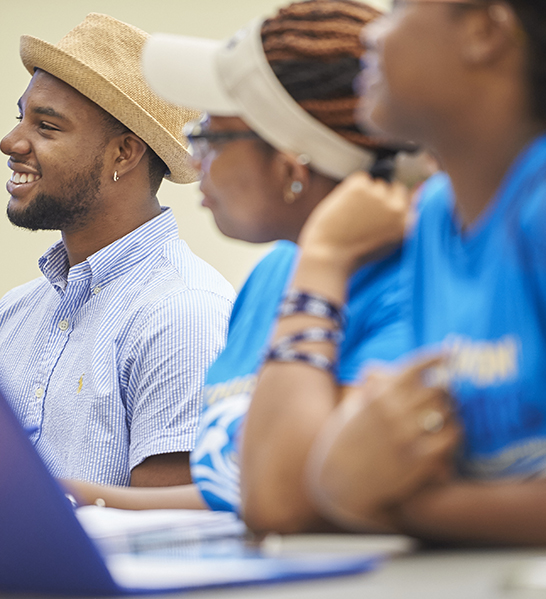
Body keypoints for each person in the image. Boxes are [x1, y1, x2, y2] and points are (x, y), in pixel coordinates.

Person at [247, 0, 546, 543]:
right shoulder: (434, 216)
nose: (371, 36)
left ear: (483, 32)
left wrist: (408, 510)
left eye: (398, 10)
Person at [62, 0, 424, 519]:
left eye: (209, 137)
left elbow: (288, 499)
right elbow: (241, 488)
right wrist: (85, 501)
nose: (192, 161)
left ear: (289, 168)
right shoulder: (273, 276)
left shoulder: (408, 282)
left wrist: (321, 265)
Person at [0, 13, 234, 490]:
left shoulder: (183, 314)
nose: (11, 142)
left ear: (124, 154)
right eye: (21, 118)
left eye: (47, 127)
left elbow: (169, 538)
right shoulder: (9, 318)